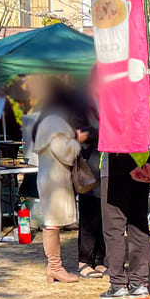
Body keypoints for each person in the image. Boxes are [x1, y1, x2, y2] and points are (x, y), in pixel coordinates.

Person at [33, 84, 84, 283]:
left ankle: (54, 266)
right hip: (55, 179)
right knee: (52, 224)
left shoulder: (45, 120)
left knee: (51, 223)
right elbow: (64, 151)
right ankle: (55, 267)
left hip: (49, 177)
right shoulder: (55, 122)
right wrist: (77, 141)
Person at [99, 151, 150, 299]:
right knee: (138, 224)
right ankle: (139, 283)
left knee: (114, 228)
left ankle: (118, 285)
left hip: (115, 168)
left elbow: (112, 138)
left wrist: (128, 166)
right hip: (143, 165)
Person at [73, 96, 106, 279]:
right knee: (89, 215)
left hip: (105, 163)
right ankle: (84, 261)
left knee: (104, 214)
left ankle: (100, 259)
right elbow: (79, 134)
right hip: (90, 167)